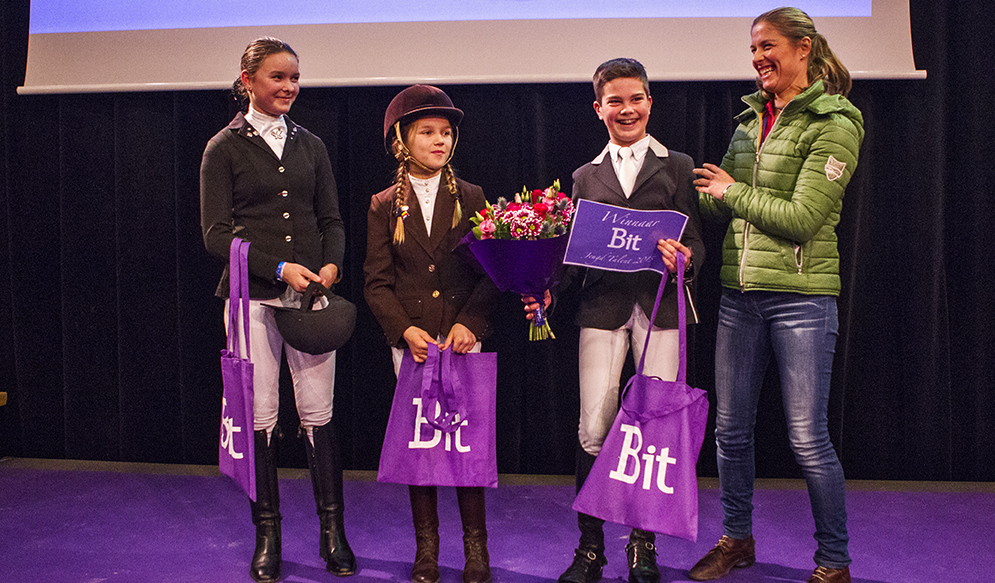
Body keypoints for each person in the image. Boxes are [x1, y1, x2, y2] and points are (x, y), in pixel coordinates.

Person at [688, 7, 864, 583]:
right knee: (730, 431)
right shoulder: (751, 120)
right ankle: (736, 540)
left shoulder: (835, 123)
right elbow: (722, 204)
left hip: (802, 301)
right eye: (753, 49)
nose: (758, 58)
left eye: (768, 47)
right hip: (738, 297)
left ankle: (833, 561)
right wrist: (690, 190)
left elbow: (803, 218)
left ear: (804, 47)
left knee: (808, 438)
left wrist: (731, 191)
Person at [525, 58, 705, 583]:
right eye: (616, 100)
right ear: (599, 108)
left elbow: (695, 242)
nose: (627, 109)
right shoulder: (585, 176)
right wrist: (544, 289)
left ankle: (642, 550)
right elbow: (573, 259)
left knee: (653, 433)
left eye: (637, 98)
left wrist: (685, 259)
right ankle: (589, 550)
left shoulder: (677, 165)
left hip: (661, 312)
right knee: (594, 429)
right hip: (602, 312)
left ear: (650, 102)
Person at [200, 37, 354, 582]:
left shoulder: (311, 145)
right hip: (252, 300)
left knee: (318, 415)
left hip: (311, 299)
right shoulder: (224, 148)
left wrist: (329, 268)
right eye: (277, 78)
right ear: (249, 82)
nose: (288, 86)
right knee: (261, 419)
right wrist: (279, 268)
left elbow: (332, 220)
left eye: (294, 77)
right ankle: (269, 534)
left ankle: (333, 532)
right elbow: (216, 236)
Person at [363, 85, 497, 583]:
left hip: (462, 339)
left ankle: (476, 552)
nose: (439, 141)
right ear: (402, 140)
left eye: (446, 133)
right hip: (415, 347)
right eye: (427, 132)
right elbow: (376, 282)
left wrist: (471, 323)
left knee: (466, 448)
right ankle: (427, 552)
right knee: (422, 451)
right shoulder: (383, 205)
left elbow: (490, 273)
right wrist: (404, 331)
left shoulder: (475, 197)